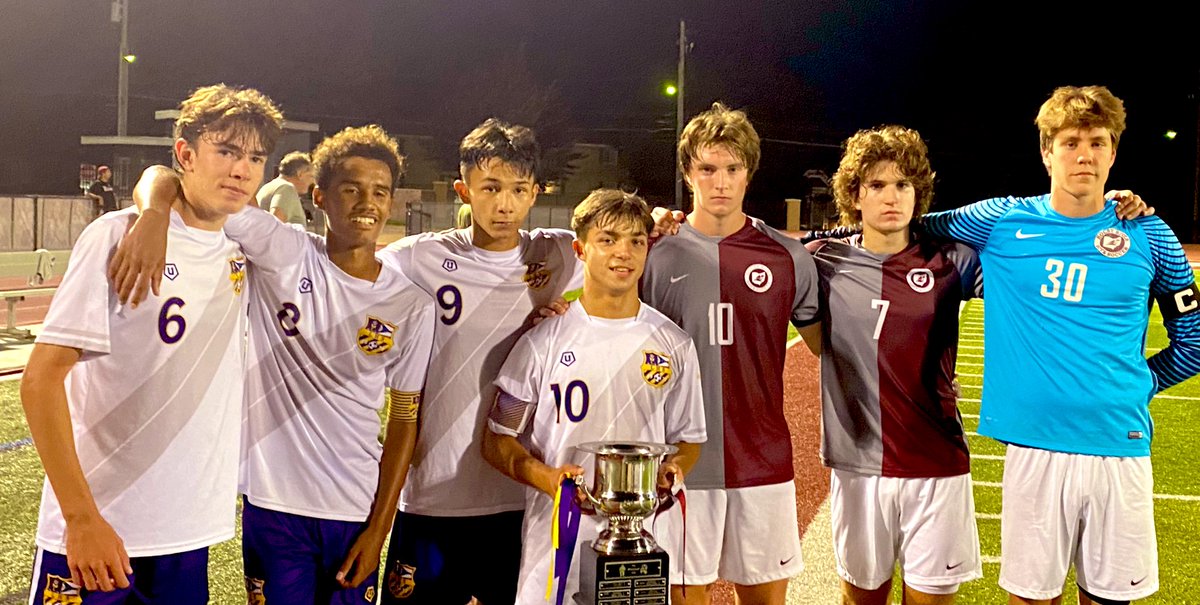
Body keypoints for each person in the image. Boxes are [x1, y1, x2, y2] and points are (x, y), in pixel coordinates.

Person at [117, 126, 435, 603]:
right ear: (320, 197)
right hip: (273, 505)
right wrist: (153, 214)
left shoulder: (411, 305)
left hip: (355, 508)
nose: (366, 202)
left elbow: (405, 420)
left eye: (379, 192)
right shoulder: (284, 249)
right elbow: (171, 178)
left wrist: (380, 528)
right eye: (351, 189)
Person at [920, 85, 1200, 605]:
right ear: (1046, 151)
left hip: (1119, 445)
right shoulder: (1001, 220)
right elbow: (915, 225)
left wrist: (1136, 384)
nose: (1085, 155)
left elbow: (1195, 340)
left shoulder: (1150, 232)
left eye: (1098, 142)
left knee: (1109, 598)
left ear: (1114, 152)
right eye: (1071, 142)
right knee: (1032, 598)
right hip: (1035, 446)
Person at [20, 83, 282, 604]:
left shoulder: (245, 247)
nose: (242, 169)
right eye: (226, 151)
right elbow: (40, 381)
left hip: (187, 536)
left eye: (255, 157)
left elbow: (159, 183)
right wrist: (81, 518)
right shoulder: (118, 235)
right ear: (186, 154)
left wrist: (156, 204)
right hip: (99, 534)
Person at [375, 118, 584, 604]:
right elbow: (347, 267)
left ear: (535, 192)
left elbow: (621, 242)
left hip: (515, 492)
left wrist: (659, 220)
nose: (504, 203)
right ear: (463, 190)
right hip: (430, 493)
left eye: (517, 189)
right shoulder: (418, 257)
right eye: (490, 187)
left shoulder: (555, 253)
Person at [481, 188, 706, 604]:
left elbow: (689, 439)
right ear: (581, 249)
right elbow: (497, 440)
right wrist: (548, 479)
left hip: (643, 540)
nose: (624, 252)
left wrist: (674, 468)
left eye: (636, 240)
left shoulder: (674, 343)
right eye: (608, 240)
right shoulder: (542, 341)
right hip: (558, 537)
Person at [641, 102, 820, 605]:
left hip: (762, 464)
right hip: (675, 467)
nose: (721, 182)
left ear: (749, 172)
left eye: (733, 169)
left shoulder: (788, 257)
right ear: (687, 173)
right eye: (707, 169)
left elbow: (832, 349)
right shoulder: (654, 253)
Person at [800, 126, 983, 604]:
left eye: (903, 184)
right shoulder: (822, 260)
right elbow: (745, 252)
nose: (891, 196)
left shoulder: (952, 260)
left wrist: (1103, 212)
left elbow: (1029, 274)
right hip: (857, 464)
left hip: (935, 463)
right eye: (876, 185)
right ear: (854, 196)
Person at [257, 151, 314, 226]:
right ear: (300, 174)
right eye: (311, 176)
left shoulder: (268, 187)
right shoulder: (286, 188)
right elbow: (275, 225)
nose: (313, 181)